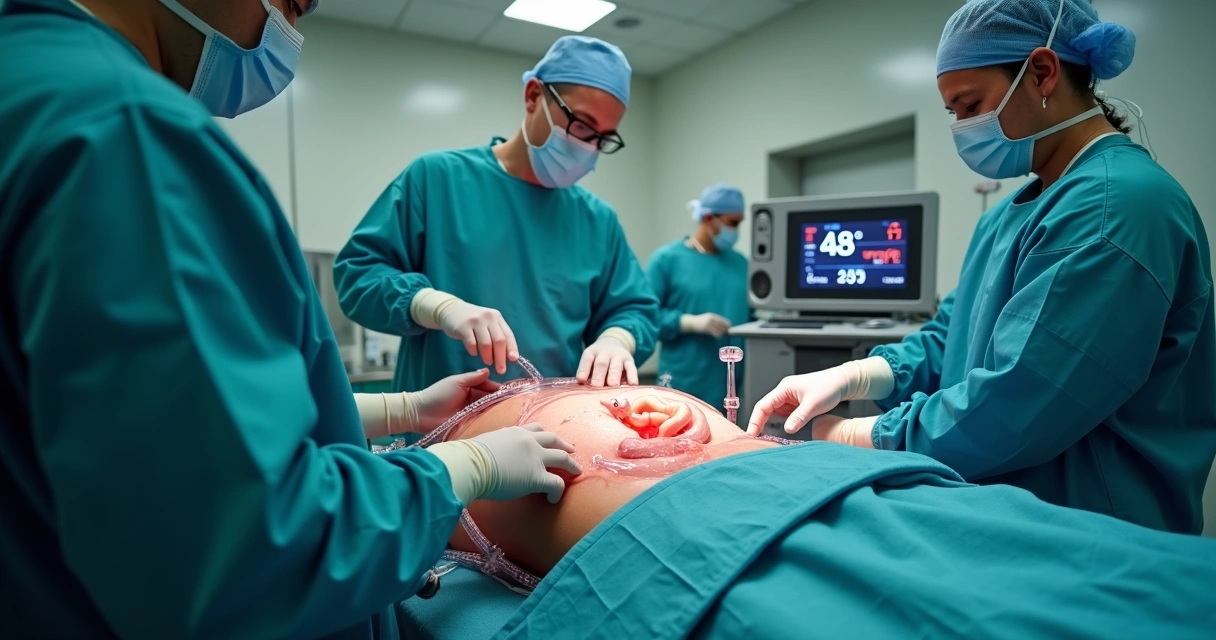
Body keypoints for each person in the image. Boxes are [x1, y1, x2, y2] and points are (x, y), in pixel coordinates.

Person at [0, 0, 580, 637]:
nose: (288, 33)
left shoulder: (31, 80)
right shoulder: (125, 134)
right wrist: (462, 470)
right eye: (292, 3)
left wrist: (405, 410)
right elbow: (250, 540)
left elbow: (151, 426)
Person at [748, 0, 1215, 534]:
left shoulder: (1118, 208)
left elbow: (1021, 398)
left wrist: (862, 436)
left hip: (1092, 528)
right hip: (999, 509)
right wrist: (852, 377)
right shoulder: (1006, 219)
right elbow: (949, 340)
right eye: (952, 112)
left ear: (1042, 71)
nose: (962, 127)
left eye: (970, 105)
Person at [408, 380, 1216, 640]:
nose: (634, 402)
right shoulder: (425, 486)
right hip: (686, 543)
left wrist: (869, 399)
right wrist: (428, 437)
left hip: (846, 487)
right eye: (576, 393)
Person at [334, 36, 658, 394]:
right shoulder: (438, 179)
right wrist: (436, 306)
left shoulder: (597, 220)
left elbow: (635, 308)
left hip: (551, 431)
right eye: (581, 125)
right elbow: (359, 275)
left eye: (603, 139)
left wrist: (617, 339)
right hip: (444, 434)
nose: (589, 147)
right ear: (534, 96)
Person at [647, 183, 751, 411]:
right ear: (708, 218)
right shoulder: (667, 260)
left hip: (729, 385)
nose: (737, 230)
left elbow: (752, 317)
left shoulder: (741, 264)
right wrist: (688, 322)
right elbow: (645, 318)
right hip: (683, 381)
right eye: (733, 222)